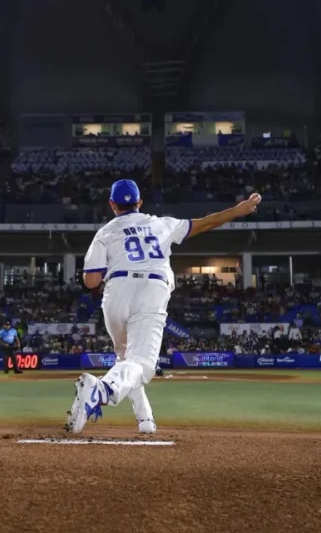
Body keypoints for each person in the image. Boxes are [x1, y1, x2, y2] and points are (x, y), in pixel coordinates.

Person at [65, 180, 261, 434]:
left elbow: (91, 281)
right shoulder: (161, 223)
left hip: (115, 294)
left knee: (126, 359)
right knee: (143, 365)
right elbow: (205, 223)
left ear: (112, 205)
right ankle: (102, 390)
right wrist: (239, 210)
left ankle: (145, 420)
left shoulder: (104, 232)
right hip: (151, 290)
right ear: (140, 203)